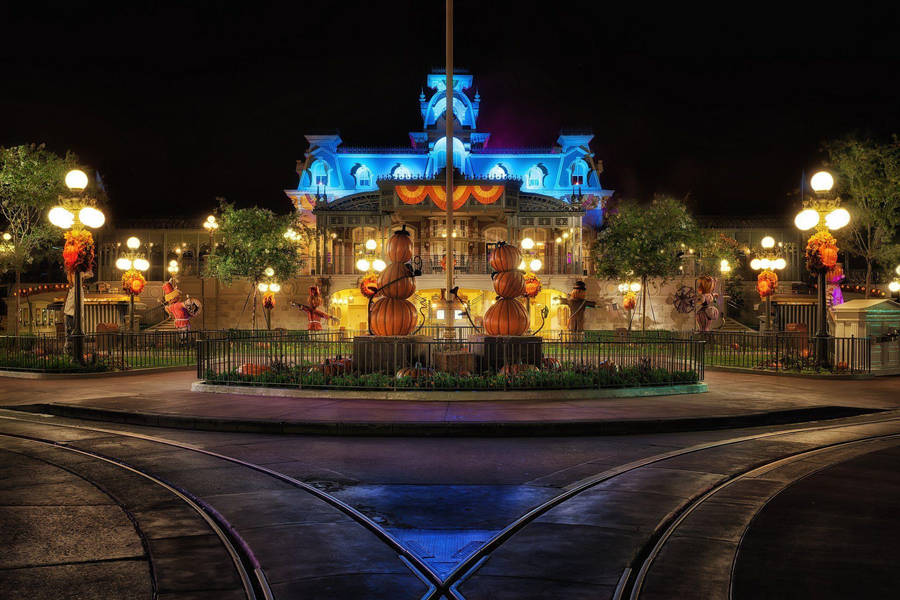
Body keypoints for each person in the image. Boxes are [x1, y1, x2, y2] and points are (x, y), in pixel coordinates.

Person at [63, 270, 89, 353]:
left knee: (71, 335)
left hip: (71, 315)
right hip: (71, 314)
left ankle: (72, 350)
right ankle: (71, 350)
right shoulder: (75, 289)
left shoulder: (77, 289)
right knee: (70, 335)